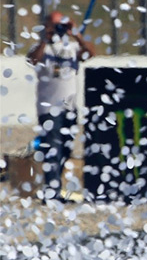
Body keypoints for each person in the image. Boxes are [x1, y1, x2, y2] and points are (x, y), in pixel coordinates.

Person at [26, 11, 95, 200]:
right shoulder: (42, 48)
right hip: (49, 108)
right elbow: (32, 60)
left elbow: (90, 54)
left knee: (66, 148)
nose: (58, 29)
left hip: (70, 107)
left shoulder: (71, 47)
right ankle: (51, 192)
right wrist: (46, 39)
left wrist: (77, 35)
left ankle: (56, 186)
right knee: (52, 149)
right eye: (55, 25)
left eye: (61, 25)